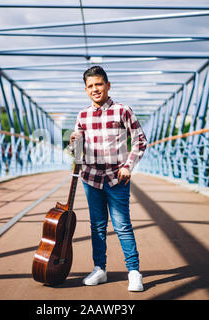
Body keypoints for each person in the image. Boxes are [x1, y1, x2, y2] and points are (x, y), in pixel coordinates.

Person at [69, 66, 147, 292]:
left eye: (99, 84)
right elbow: (77, 153)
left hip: (117, 177)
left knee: (122, 225)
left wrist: (128, 166)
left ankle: (134, 272)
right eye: (91, 86)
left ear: (108, 85)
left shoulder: (123, 110)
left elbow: (140, 141)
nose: (95, 89)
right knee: (97, 226)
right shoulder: (82, 115)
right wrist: (74, 142)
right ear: (86, 90)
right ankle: (100, 269)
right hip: (91, 177)